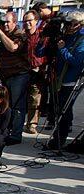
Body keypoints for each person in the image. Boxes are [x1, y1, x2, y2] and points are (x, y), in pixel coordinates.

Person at [38, 10, 84, 149]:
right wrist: (43, 40)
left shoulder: (81, 39)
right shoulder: (63, 36)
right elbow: (40, 53)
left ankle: (59, 140)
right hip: (57, 79)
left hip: (70, 80)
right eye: (67, 23)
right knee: (57, 110)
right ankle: (57, 138)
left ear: (80, 25)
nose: (69, 26)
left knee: (64, 110)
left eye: (72, 24)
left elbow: (76, 61)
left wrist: (62, 49)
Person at [0, 11, 30, 144]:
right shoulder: (5, 34)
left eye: (7, 22)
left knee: (17, 107)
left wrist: (0, 33)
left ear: (15, 22)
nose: (4, 25)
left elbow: (13, 48)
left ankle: (16, 135)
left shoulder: (19, 34)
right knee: (7, 106)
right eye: (3, 22)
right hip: (6, 75)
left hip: (18, 75)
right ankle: (7, 131)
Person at [23, 10, 47, 135]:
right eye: (25, 21)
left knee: (34, 99)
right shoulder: (21, 36)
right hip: (22, 70)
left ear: (36, 21)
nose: (27, 23)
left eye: (30, 21)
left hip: (37, 70)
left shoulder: (42, 36)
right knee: (21, 98)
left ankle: (31, 124)